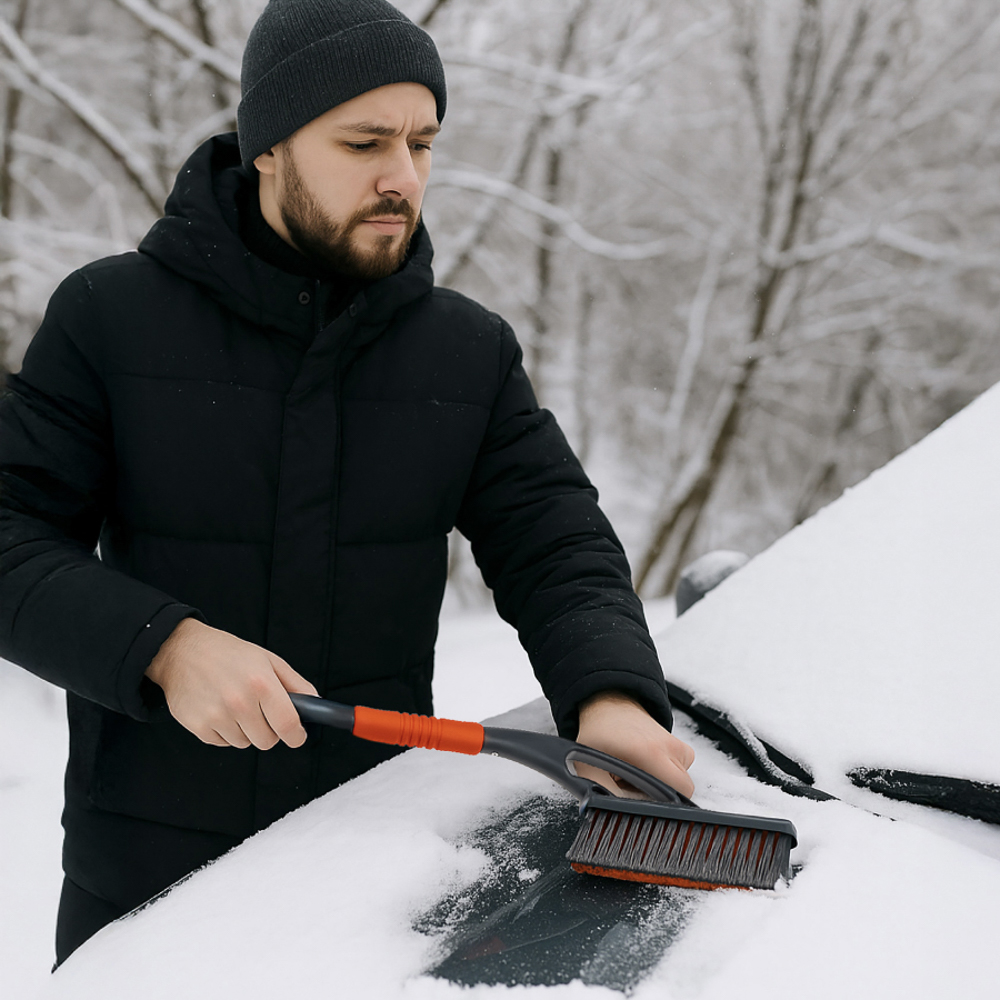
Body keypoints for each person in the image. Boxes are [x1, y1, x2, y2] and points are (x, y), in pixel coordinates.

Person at [0, 0, 694, 966]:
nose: (402, 177)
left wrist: (611, 694)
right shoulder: (110, 319)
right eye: (365, 141)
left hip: (368, 881)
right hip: (146, 885)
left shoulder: (467, 354)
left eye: (422, 143)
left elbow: (556, 541)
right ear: (270, 146)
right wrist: (163, 647)